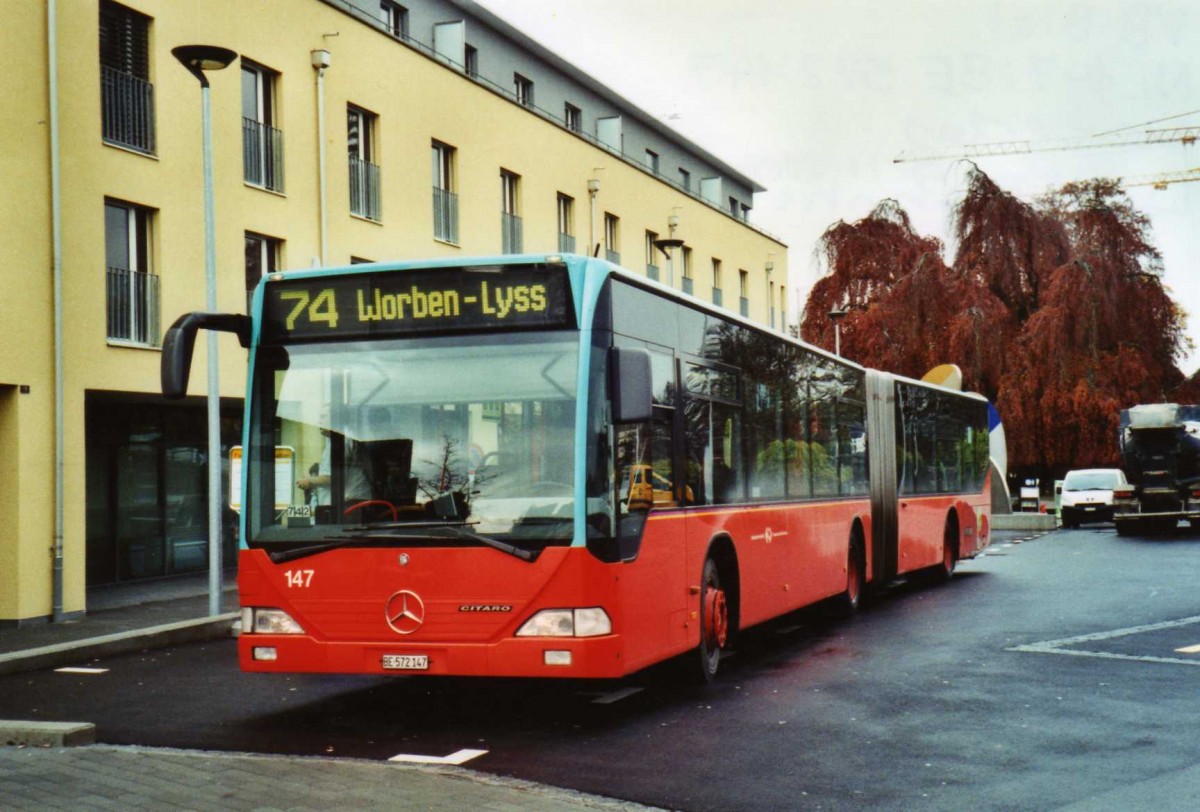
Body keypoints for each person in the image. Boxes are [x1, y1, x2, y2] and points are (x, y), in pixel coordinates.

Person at [297, 429, 372, 506]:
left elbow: (332, 478)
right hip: (348, 502)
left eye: (324, 417)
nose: (320, 421)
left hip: (351, 502)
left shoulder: (342, 440)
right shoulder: (333, 440)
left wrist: (308, 480)